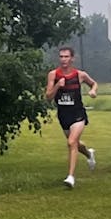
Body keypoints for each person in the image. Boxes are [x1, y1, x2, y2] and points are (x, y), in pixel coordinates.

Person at [45, 46, 99, 188]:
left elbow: (93, 83)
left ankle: (70, 177)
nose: (64, 59)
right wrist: (57, 85)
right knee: (76, 143)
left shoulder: (80, 75)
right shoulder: (53, 75)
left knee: (71, 142)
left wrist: (93, 91)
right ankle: (89, 154)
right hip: (64, 115)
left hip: (78, 114)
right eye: (61, 57)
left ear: (72, 58)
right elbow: (48, 98)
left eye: (66, 57)